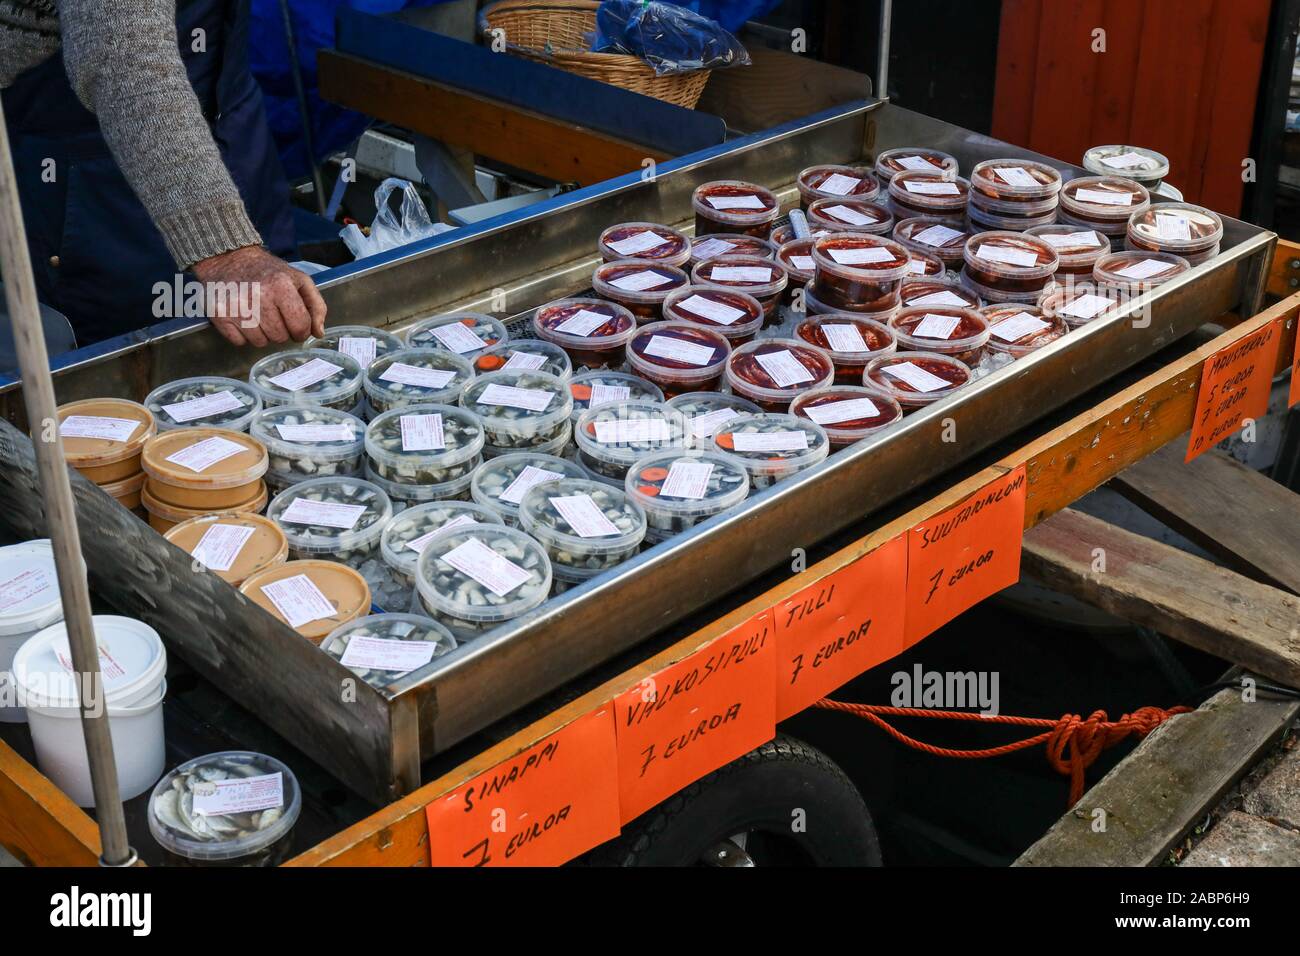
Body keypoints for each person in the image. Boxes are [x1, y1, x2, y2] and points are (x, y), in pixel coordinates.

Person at [0, 0, 327, 349]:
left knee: (274, 356)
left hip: (229, 128)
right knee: (124, 376)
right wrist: (228, 254)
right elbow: (124, 60)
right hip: (98, 181)